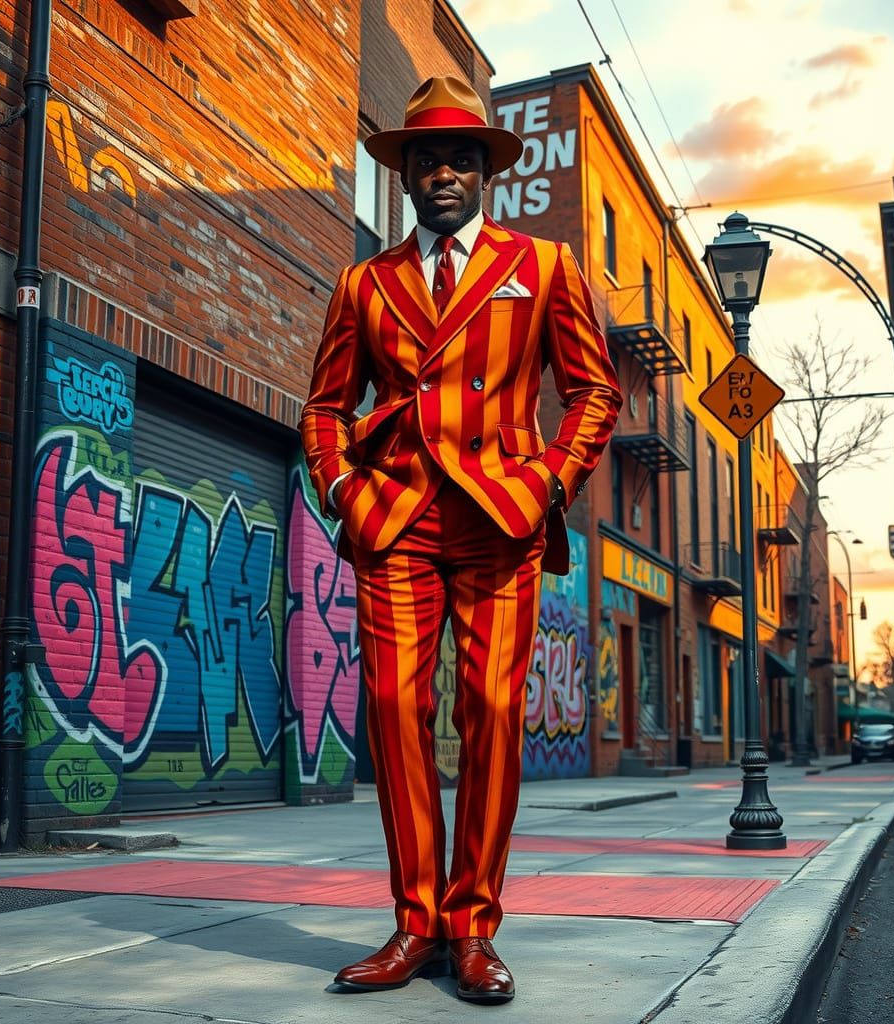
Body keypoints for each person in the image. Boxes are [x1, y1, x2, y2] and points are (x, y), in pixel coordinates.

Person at [299, 76, 621, 1004]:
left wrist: (549, 482)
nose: (443, 173)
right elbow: (325, 409)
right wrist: (345, 492)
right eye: (427, 160)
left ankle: (473, 927)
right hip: (396, 522)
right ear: (404, 177)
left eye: (462, 159)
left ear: (487, 174)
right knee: (396, 717)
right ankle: (414, 924)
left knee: (491, 714)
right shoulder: (366, 283)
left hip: (500, 521)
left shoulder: (544, 266)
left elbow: (595, 392)